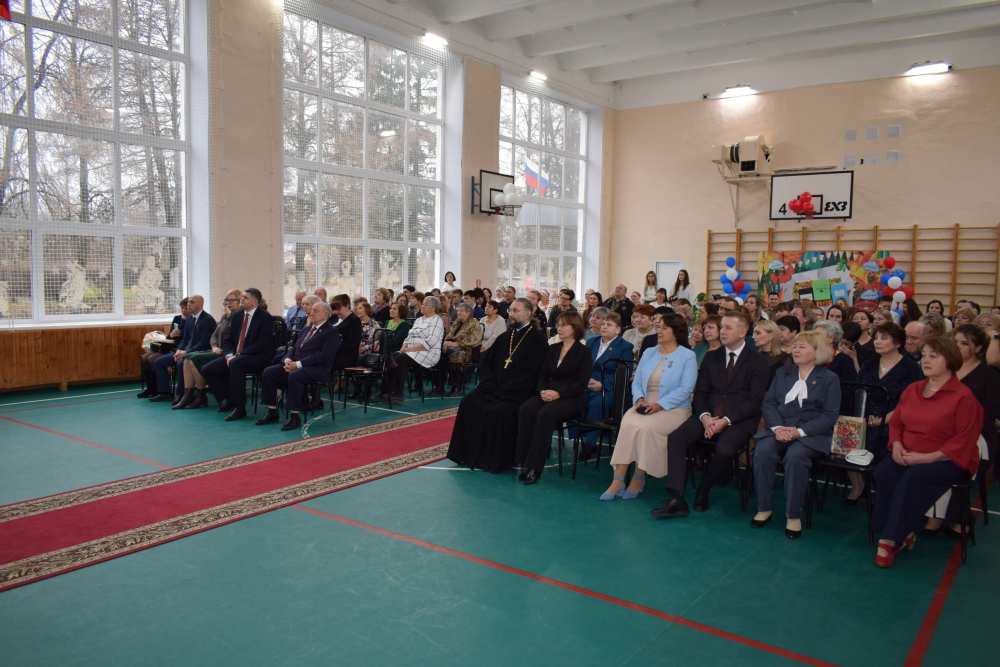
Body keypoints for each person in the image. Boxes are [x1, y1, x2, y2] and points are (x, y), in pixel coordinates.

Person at [873, 337, 983, 567]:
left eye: (934, 356)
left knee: (914, 478)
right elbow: (897, 423)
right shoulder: (913, 389)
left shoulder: (963, 397)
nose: (926, 360)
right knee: (884, 472)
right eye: (924, 356)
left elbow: (964, 440)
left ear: (950, 360)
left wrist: (927, 457)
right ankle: (901, 530)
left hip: (948, 460)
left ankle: (890, 539)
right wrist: (897, 445)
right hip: (908, 453)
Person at [651, 310, 770, 516]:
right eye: (722, 327)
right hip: (708, 416)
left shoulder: (758, 361)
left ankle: (704, 489)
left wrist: (726, 420)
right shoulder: (712, 357)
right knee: (677, 438)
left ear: (743, 332)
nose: (722, 332)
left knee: (724, 448)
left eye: (728, 328)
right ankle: (675, 498)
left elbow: (754, 400)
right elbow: (701, 393)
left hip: (739, 419)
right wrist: (705, 417)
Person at [751, 331, 841, 539]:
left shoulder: (829, 379)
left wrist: (799, 432)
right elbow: (769, 403)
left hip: (812, 433)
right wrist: (777, 428)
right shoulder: (783, 373)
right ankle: (764, 507)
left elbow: (830, 415)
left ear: (817, 351)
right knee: (763, 451)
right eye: (795, 346)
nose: (796, 350)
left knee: (795, 457)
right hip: (780, 428)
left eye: (802, 346)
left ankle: (793, 515)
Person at [601, 314, 697, 501]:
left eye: (664, 328)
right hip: (644, 403)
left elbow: (686, 389)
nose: (659, 331)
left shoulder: (687, 356)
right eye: (658, 327)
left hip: (674, 408)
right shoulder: (649, 352)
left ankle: (639, 477)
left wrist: (660, 405)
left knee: (646, 428)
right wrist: (639, 399)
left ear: (676, 332)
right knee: (628, 424)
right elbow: (636, 381)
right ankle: (618, 480)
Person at [447, 298, 548, 471]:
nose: (511, 314)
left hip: (518, 391)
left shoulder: (538, 340)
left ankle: (492, 461)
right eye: (510, 310)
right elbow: (487, 362)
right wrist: (489, 382)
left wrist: (509, 386)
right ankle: (467, 454)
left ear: (529, 313)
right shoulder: (505, 336)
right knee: (468, 402)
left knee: (499, 412)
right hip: (495, 387)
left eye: (516, 311)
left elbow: (535, 372)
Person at [924, 324, 1000, 533]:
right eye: (954, 342)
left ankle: (953, 515)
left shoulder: (989, 375)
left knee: (950, 457)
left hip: (976, 435)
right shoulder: (944, 368)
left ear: (978, 348)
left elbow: (988, 415)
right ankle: (933, 513)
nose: (957, 346)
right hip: (941, 430)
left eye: (964, 343)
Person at [514, 312, 593, 484]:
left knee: (545, 414)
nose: (559, 328)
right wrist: (543, 390)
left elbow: (581, 383)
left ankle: (534, 468)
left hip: (572, 398)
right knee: (526, 409)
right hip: (549, 393)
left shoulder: (584, 352)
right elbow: (542, 374)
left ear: (575, 328)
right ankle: (522, 459)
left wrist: (559, 394)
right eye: (558, 325)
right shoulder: (553, 348)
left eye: (564, 325)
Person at [256, 302, 340, 431]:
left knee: (295, 376)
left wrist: (298, 364)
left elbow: (323, 356)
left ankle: (295, 416)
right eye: (311, 310)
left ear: (325, 314)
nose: (311, 313)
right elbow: (293, 348)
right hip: (297, 364)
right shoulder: (306, 329)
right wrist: (287, 360)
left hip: (318, 369)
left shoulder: (331, 332)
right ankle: (272, 412)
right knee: (269, 372)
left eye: (315, 311)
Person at [202, 288, 277, 421]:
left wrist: (240, 354)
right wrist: (229, 355)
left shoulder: (265, 318)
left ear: (254, 302)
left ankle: (240, 407)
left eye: (245, 298)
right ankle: (227, 399)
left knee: (236, 364)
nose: (241, 300)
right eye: (241, 297)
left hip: (258, 356)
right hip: (236, 356)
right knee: (207, 369)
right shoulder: (237, 316)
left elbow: (263, 343)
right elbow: (227, 339)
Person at [579, 312, 634, 456]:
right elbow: (582, 365)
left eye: (608, 325)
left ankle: (590, 443)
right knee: (574, 399)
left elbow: (624, 373)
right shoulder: (592, 342)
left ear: (618, 329)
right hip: (587, 384)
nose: (604, 327)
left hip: (610, 389)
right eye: (603, 324)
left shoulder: (625, 346)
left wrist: (603, 384)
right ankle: (578, 436)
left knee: (597, 403)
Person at [178, 290, 243, 410]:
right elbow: (214, 336)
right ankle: (188, 395)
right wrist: (214, 346)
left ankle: (201, 396)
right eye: (226, 301)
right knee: (188, 358)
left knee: (193, 358)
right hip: (217, 350)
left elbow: (232, 337)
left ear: (240, 302)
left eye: (231, 301)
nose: (227, 304)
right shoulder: (225, 317)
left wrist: (224, 350)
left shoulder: (238, 317)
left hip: (228, 352)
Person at [156, 295, 216, 406]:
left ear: (200, 304)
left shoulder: (207, 320)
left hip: (200, 352)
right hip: (186, 351)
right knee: (159, 361)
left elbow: (204, 343)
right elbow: (185, 339)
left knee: (180, 363)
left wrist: (185, 352)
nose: (188, 304)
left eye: (192, 302)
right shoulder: (190, 319)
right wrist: (179, 350)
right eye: (188, 302)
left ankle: (182, 395)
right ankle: (165, 392)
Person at [382, 296, 445, 401]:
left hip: (428, 353)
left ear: (433, 308)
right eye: (422, 304)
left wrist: (408, 350)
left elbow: (430, 343)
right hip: (412, 351)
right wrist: (403, 349)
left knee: (401, 359)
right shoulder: (419, 320)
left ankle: (398, 393)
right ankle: (387, 391)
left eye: (425, 305)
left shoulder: (437, 320)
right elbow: (408, 337)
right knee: (392, 357)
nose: (422, 306)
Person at [137, 297, 189, 398]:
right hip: (170, 346)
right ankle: (151, 389)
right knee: (145, 357)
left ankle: (163, 391)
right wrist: (172, 335)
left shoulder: (191, 320)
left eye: (185, 308)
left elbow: (187, 338)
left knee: (153, 359)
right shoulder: (177, 318)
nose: (183, 310)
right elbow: (169, 336)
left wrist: (180, 333)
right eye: (182, 308)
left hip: (179, 349)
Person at [442, 303, 484, 391]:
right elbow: (450, 334)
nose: (458, 313)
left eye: (461, 311)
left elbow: (474, 339)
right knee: (439, 353)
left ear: (468, 312)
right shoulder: (457, 322)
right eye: (458, 311)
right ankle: (440, 384)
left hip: (469, 350)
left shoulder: (474, 323)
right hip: (453, 348)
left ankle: (457, 384)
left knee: (456, 354)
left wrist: (457, 344)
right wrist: (446, 342)